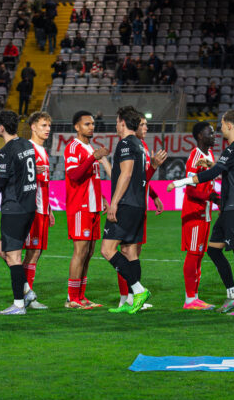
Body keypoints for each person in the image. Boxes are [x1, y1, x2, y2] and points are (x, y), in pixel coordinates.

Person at [175, 110, 234, 315]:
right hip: (229, 209)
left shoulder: (233, 148)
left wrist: (181, 182)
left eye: (221, 124)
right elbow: (230, 171)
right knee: (213, 250)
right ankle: (232, 295)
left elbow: (213, 173)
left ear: (229, 125)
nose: (219, 130)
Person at [0, 110, 39, 315]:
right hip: (29, 207)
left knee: (13, 256)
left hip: (14, 208)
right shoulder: (27, 145)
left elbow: (0, 182)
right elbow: (13, 168)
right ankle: (27, 291)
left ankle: (19, 304)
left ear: (1, 127)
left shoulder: (6, 151)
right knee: (2, 251)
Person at [99, 107, 152, 315]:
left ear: (122, 122)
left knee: (107, 250)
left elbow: (127, 174)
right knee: (130, 251)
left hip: (126, 204)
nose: (116, 124)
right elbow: (123, 173)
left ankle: (138, 290)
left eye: (116, 121)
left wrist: (114, 203)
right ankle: (131, 300)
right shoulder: (139, 145)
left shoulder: (125, 143)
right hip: (138, 204)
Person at [114, 116, 166, 309]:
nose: (145, 127)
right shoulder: (129, 145)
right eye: (142, 124)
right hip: (129, 204)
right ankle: (125, 297)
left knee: (135, 252)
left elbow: (142, 179)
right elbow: (133, 178)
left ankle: (133, 296)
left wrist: (154, 196)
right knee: (125, 251)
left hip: (139, 205)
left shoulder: (142, 146)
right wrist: (154, 167)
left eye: (146, 124)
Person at [64, 111, 110, 309]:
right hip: (80, 206)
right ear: (77, 127)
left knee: (89, 252)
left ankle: (81, 296)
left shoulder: (90, 148)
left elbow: (92, 179)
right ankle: (71, 298)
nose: (91, 127)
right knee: (80, 251)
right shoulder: (73, 147)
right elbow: (74, 175)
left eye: (92, 124)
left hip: (93, 207)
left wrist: (102, 199)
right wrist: (93, 158)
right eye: (87, 124)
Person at [175, 122, 217, 310]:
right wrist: (212, 197)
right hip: (194, 212)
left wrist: (214, 198)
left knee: (199, 255)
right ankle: (189, 299)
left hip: (205, 213)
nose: (214, 136)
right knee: (193, 254)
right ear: (200, 136)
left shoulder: (209, 155)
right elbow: (190, 190)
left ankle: (195, 298)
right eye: (210, 133)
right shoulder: (195, 156)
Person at [23, 112, 55, 310]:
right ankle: (24, 294)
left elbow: (45, 184)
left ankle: (28, 295)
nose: (47, 129)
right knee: (29, 253)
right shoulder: (28, 149)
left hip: (42, 209)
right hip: (31, 209)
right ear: (33, 127)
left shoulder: (43, 150)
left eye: (49, 126)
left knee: (36, 253)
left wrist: (49, 208)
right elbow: (19, 177)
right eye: (43, 125)